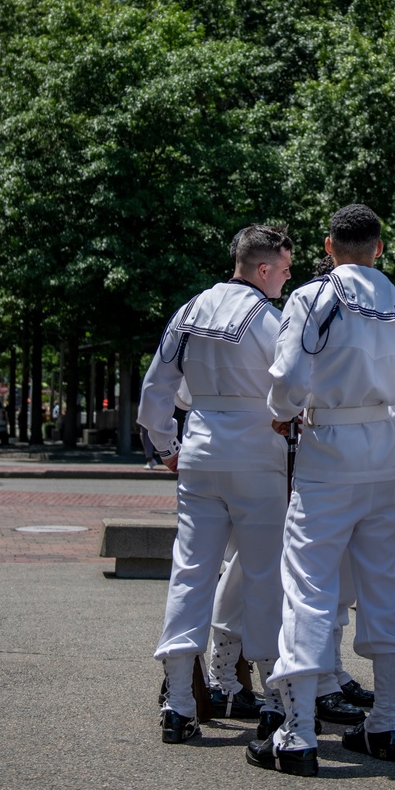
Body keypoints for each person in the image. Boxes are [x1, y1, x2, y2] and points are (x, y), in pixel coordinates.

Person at [247, 204, 395, 777]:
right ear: (379, 246)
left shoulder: (312, 297)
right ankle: (388, 721)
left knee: (309, 585)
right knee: (383, 584)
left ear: (329, 245)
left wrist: (285, 412)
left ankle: (297, 733)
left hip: (327, 447)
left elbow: (289, 377)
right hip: (381, 452)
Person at [138, 224, 293, 746]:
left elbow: (155, 387)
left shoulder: (190, 310)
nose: (286, 279)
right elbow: (293, 388)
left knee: (191, 574)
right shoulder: (273, 319)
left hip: (199, 447)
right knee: (265, 573)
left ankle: (179, 702)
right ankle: (274, 700)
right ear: (263, 269)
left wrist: (164, 447)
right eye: (284, 270)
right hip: (257, 451)